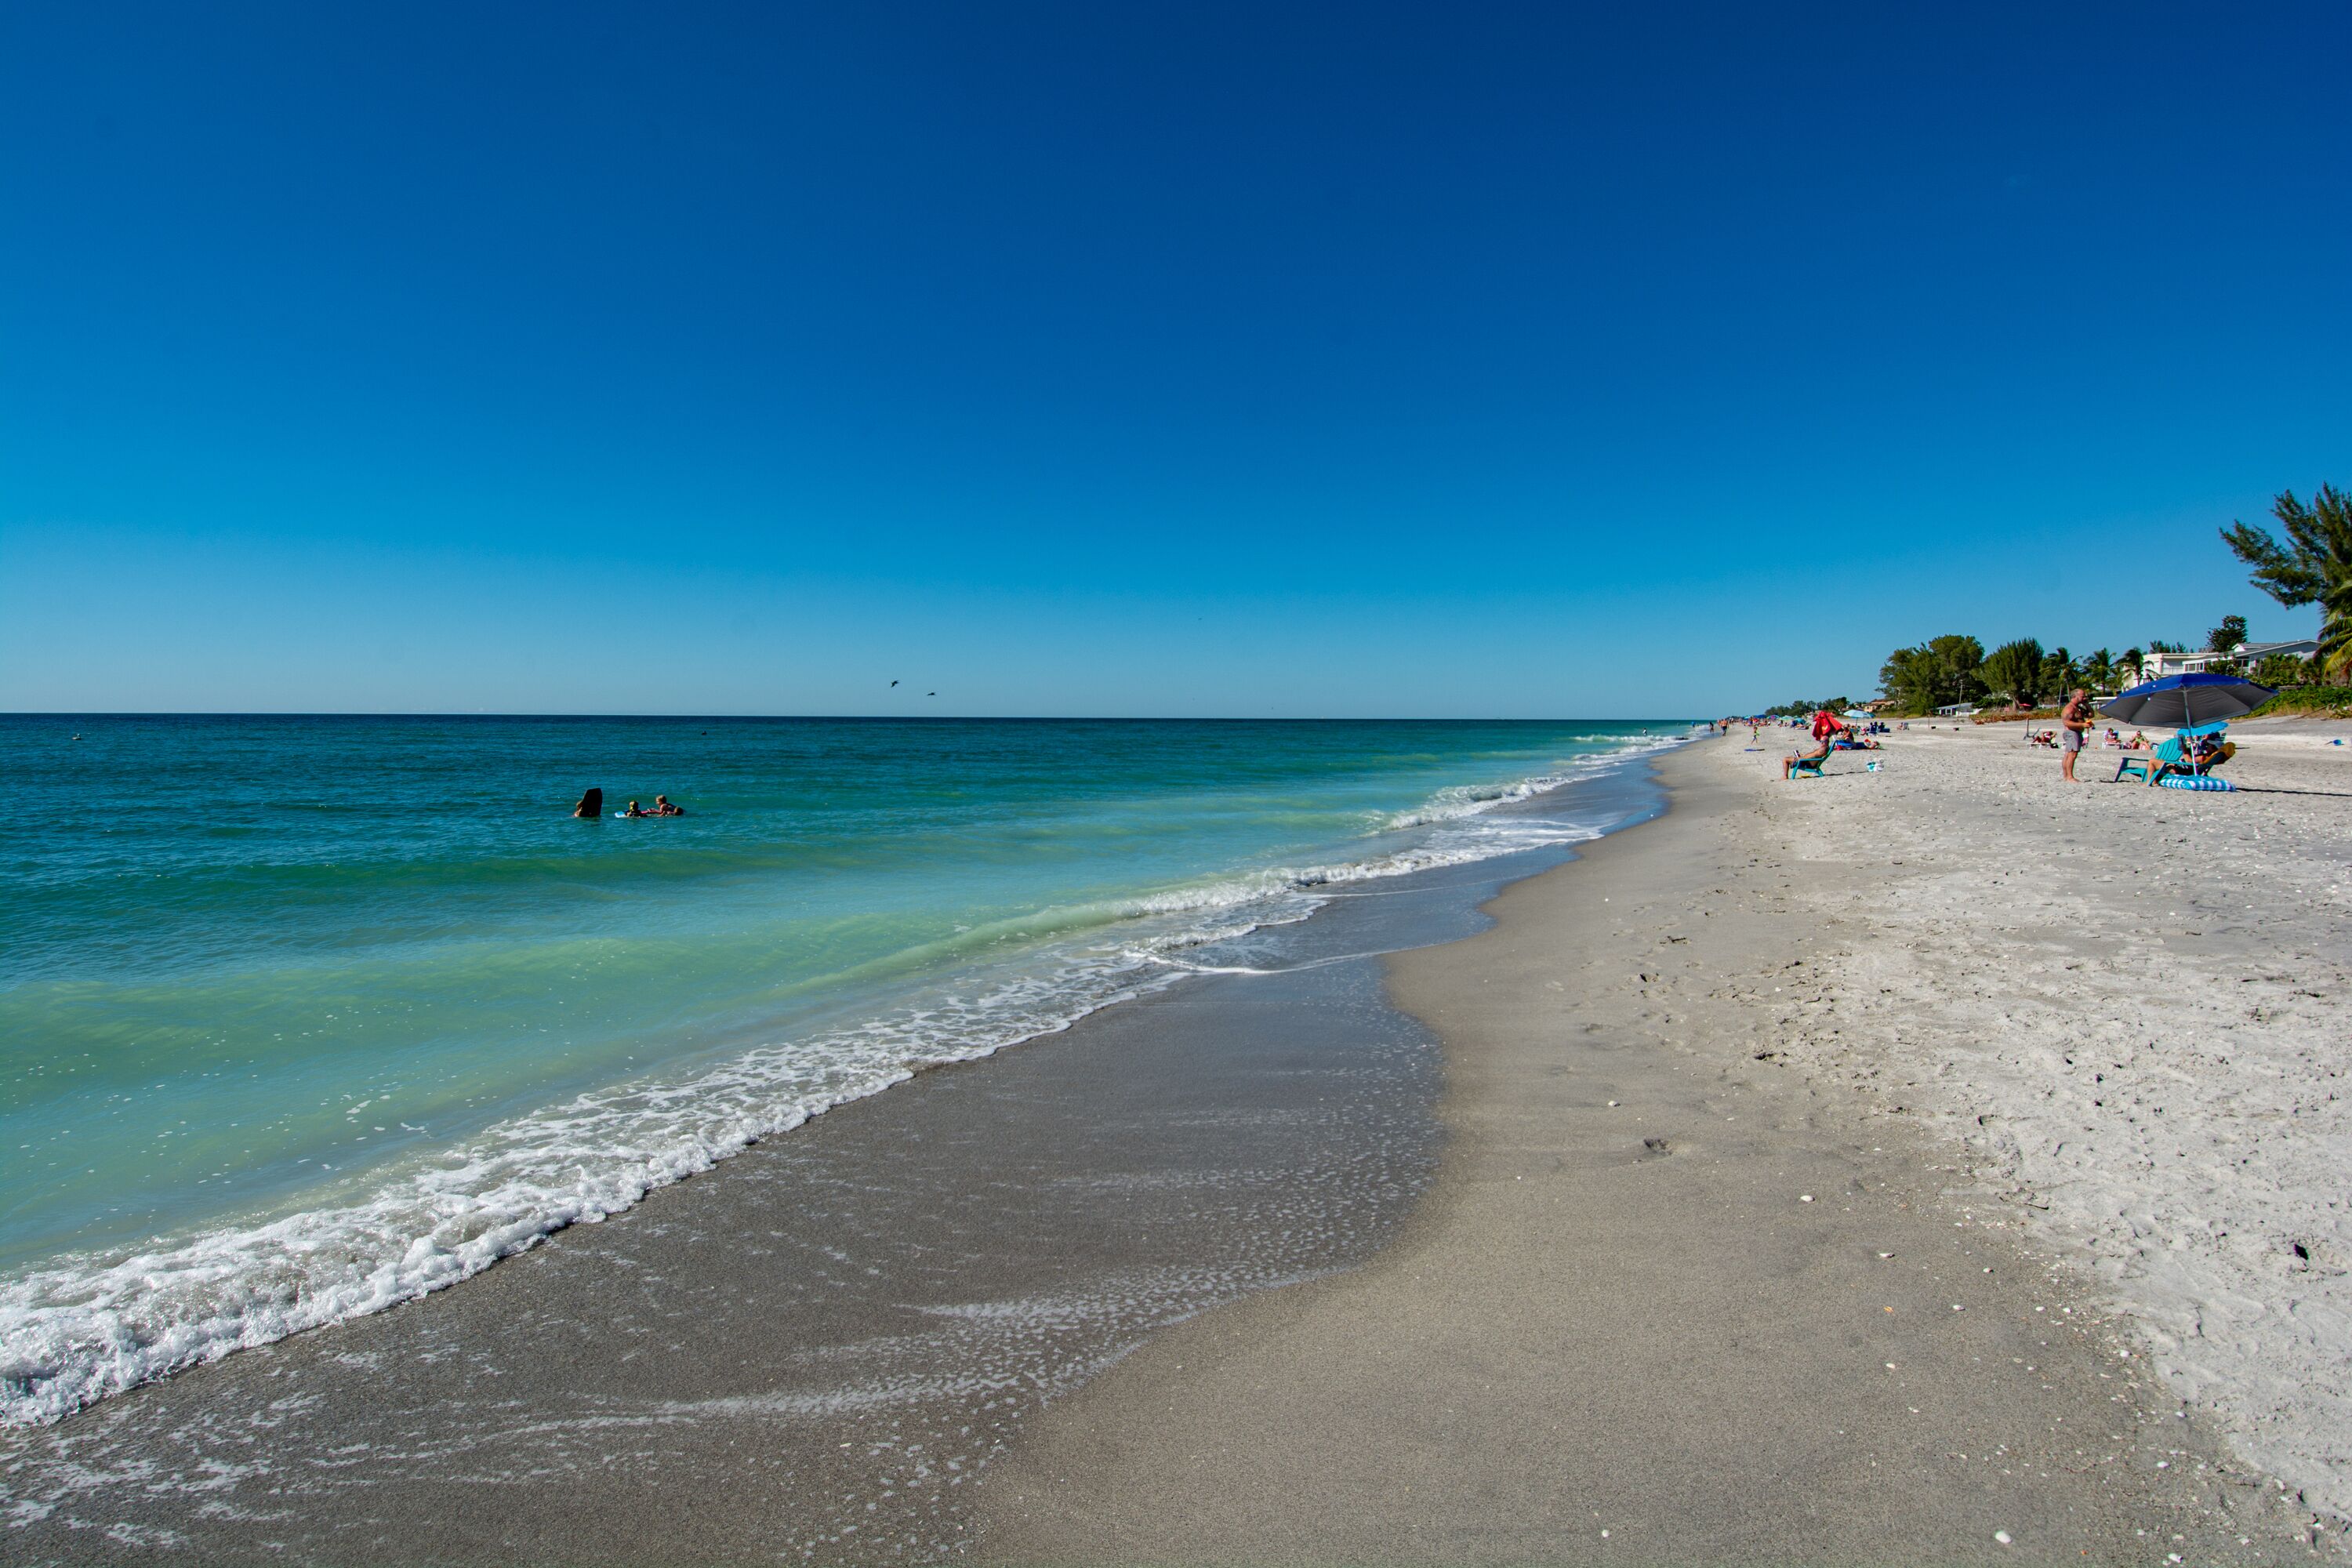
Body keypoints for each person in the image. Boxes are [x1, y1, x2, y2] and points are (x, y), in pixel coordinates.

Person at [2058, 688, 2092, 782]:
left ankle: (2066, 776)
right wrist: (2082, 724)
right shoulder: (2069, 708)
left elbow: (2090, 715)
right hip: (2072, 732)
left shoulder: (2077, 707)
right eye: (2083, 696)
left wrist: (2086, 704)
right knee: (2072, 754)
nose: (2084, 697)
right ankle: (2069, 776)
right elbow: (2066, 722)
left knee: (2069, 754)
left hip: (2076, 732)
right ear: (2075, 696)